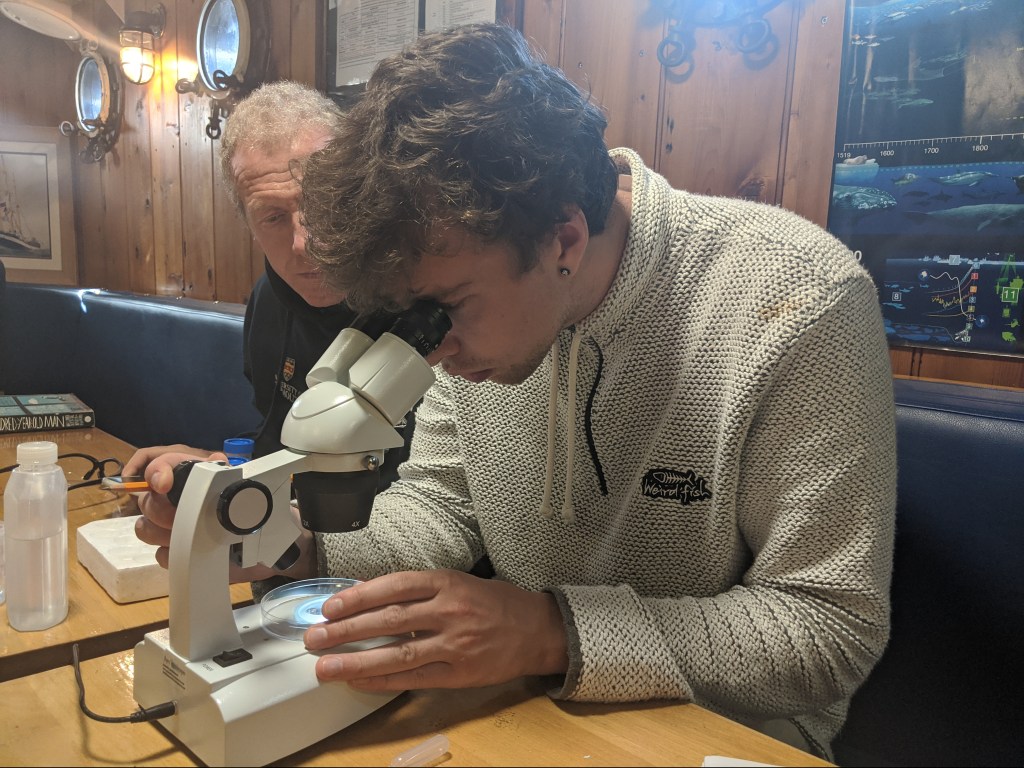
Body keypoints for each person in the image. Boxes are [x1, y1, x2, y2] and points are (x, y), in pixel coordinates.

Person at [136, 23, 897, 761]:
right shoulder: (466, 297)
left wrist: (549, 631)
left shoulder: (797, 298)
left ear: (563, 239)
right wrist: (290, 544)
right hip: (528, 704)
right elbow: (439, 507)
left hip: (721, 736)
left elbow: (828, 628)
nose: (437, 351)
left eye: (449, 309)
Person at [123, 80, 414, 485]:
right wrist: (217, 464)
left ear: (356, 190)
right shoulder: (269, 301)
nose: (304, 243)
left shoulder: (423, 299)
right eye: (273, 217)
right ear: (248, 226)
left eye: (322, 202)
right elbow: (286, 449)